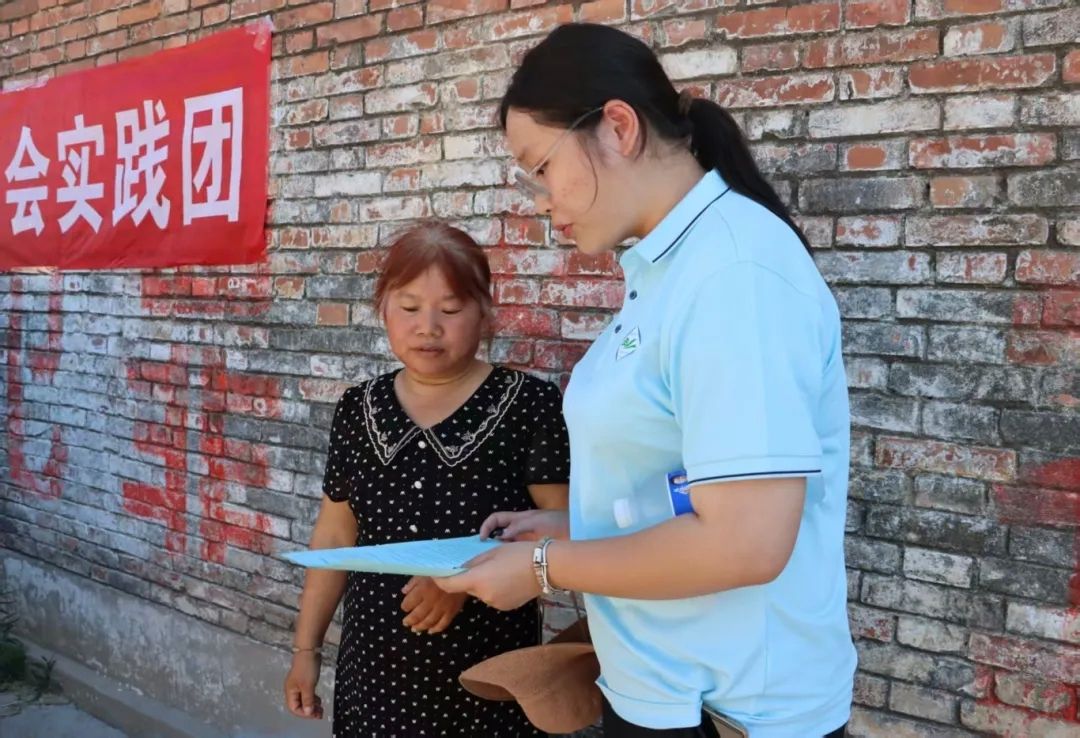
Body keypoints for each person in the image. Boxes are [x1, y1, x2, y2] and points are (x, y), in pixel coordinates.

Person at [436, 23, 856, 738]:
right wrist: (580, 526)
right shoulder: (670, 269)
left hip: (732, 712)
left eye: (541, 167)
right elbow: (688, 484)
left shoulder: (735, 273)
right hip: (662, 693)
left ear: (618, 128)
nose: (541, 199)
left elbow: (747, 541)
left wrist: (545, 567)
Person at [284, 222, 570, 737]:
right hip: (372, 672)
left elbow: (563, 527)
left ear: (484, 312)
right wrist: (307, 650)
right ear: (384, 310)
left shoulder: (530, 406)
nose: (428, 327)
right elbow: (334, 535)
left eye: (451, 310)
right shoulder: (357, 408)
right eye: (410, 307)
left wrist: (464, 582)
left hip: (485, 676)